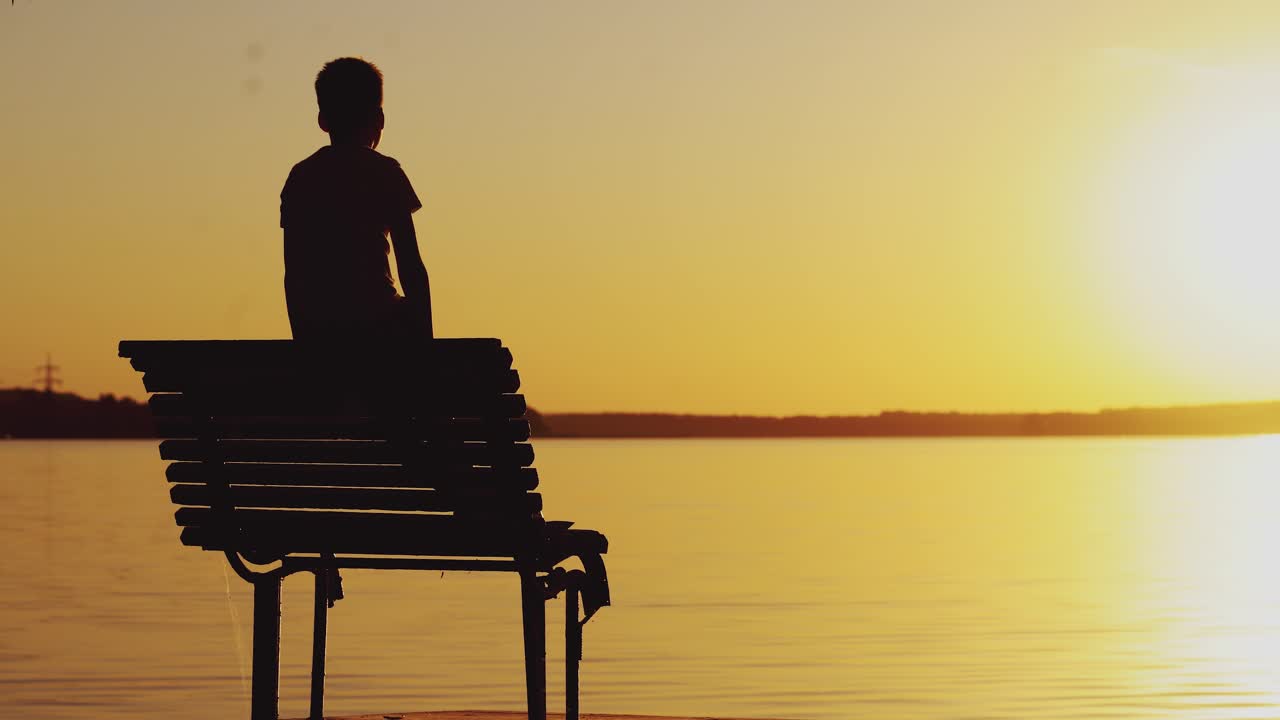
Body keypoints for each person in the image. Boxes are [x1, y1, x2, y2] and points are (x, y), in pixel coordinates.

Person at [279, 57, 432, 340]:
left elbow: (294, 274)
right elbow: (411, 265)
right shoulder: (387, 172)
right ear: (380, 120)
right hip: (380, 323)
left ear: (323, 120)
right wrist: (425, 343)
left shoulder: (300, 177)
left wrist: (304, 338)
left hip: (321, 328)